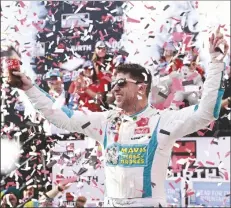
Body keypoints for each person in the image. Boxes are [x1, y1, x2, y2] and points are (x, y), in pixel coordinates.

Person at [12, 30, 228, 207]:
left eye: (122, 83)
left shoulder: (163, 120)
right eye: (114, 83)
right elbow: (62, 117)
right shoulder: (105, 121)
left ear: (141, 88)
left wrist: (217, 62)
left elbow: (206, 112)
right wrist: (29, 88)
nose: (114, 88)